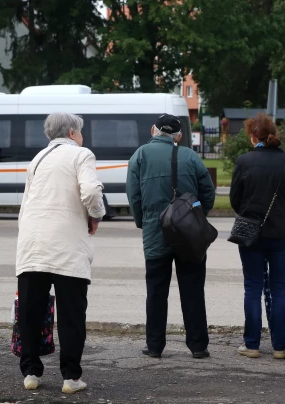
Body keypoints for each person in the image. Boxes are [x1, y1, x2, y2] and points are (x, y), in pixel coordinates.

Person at [16, 113, 105, 394]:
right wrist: (96, 215)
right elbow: (90, 190)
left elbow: (26, 201)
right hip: (67, 247)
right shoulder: (81, 155)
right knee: (71, 315)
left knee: (30, 312)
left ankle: (31, 372)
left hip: (32, 246)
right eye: (80, 132)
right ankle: (71, 377)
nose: (82, 137)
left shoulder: (37, 159)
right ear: (70, 133)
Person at [126, 114, 215, 359]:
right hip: (189, 233)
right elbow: (208, 191)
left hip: (156, 231)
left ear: (154, 129)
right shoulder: (190, 156)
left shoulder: (140, 156)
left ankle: (155, 346)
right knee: (193, 289)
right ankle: (198, 346)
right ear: (179, 135)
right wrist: (197, 215)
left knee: (156, 291)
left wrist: (142, 222)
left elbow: (134, 196)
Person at [230, 113, 285, 360]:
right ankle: (280, 345)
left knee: (252, 287)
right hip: (282, 232)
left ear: (252, 136)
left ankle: (251, 344)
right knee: (279, 289)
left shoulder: (244, 161)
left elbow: (235, 200)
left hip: (251, 233)